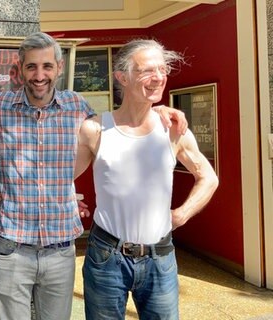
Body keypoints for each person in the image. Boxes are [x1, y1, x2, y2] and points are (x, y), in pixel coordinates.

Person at [0, 32, 188, 320]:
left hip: (60, 251)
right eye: (31, 66)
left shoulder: (79, 108)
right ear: (19, 70)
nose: (39, 75)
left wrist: (154, 108)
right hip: (11, 247)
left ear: (59, 69)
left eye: (47, 66)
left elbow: (120, 125)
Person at [76, 39, 219, 319]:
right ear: (122, 77)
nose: (158, 78)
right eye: (147, 71)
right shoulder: (95, 129)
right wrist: (69, 199)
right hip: (106, 257)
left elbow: (208, 177)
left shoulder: (173, 130)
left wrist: (180, 215)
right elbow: (62, 176)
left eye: (162, 70)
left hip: (160, 257)